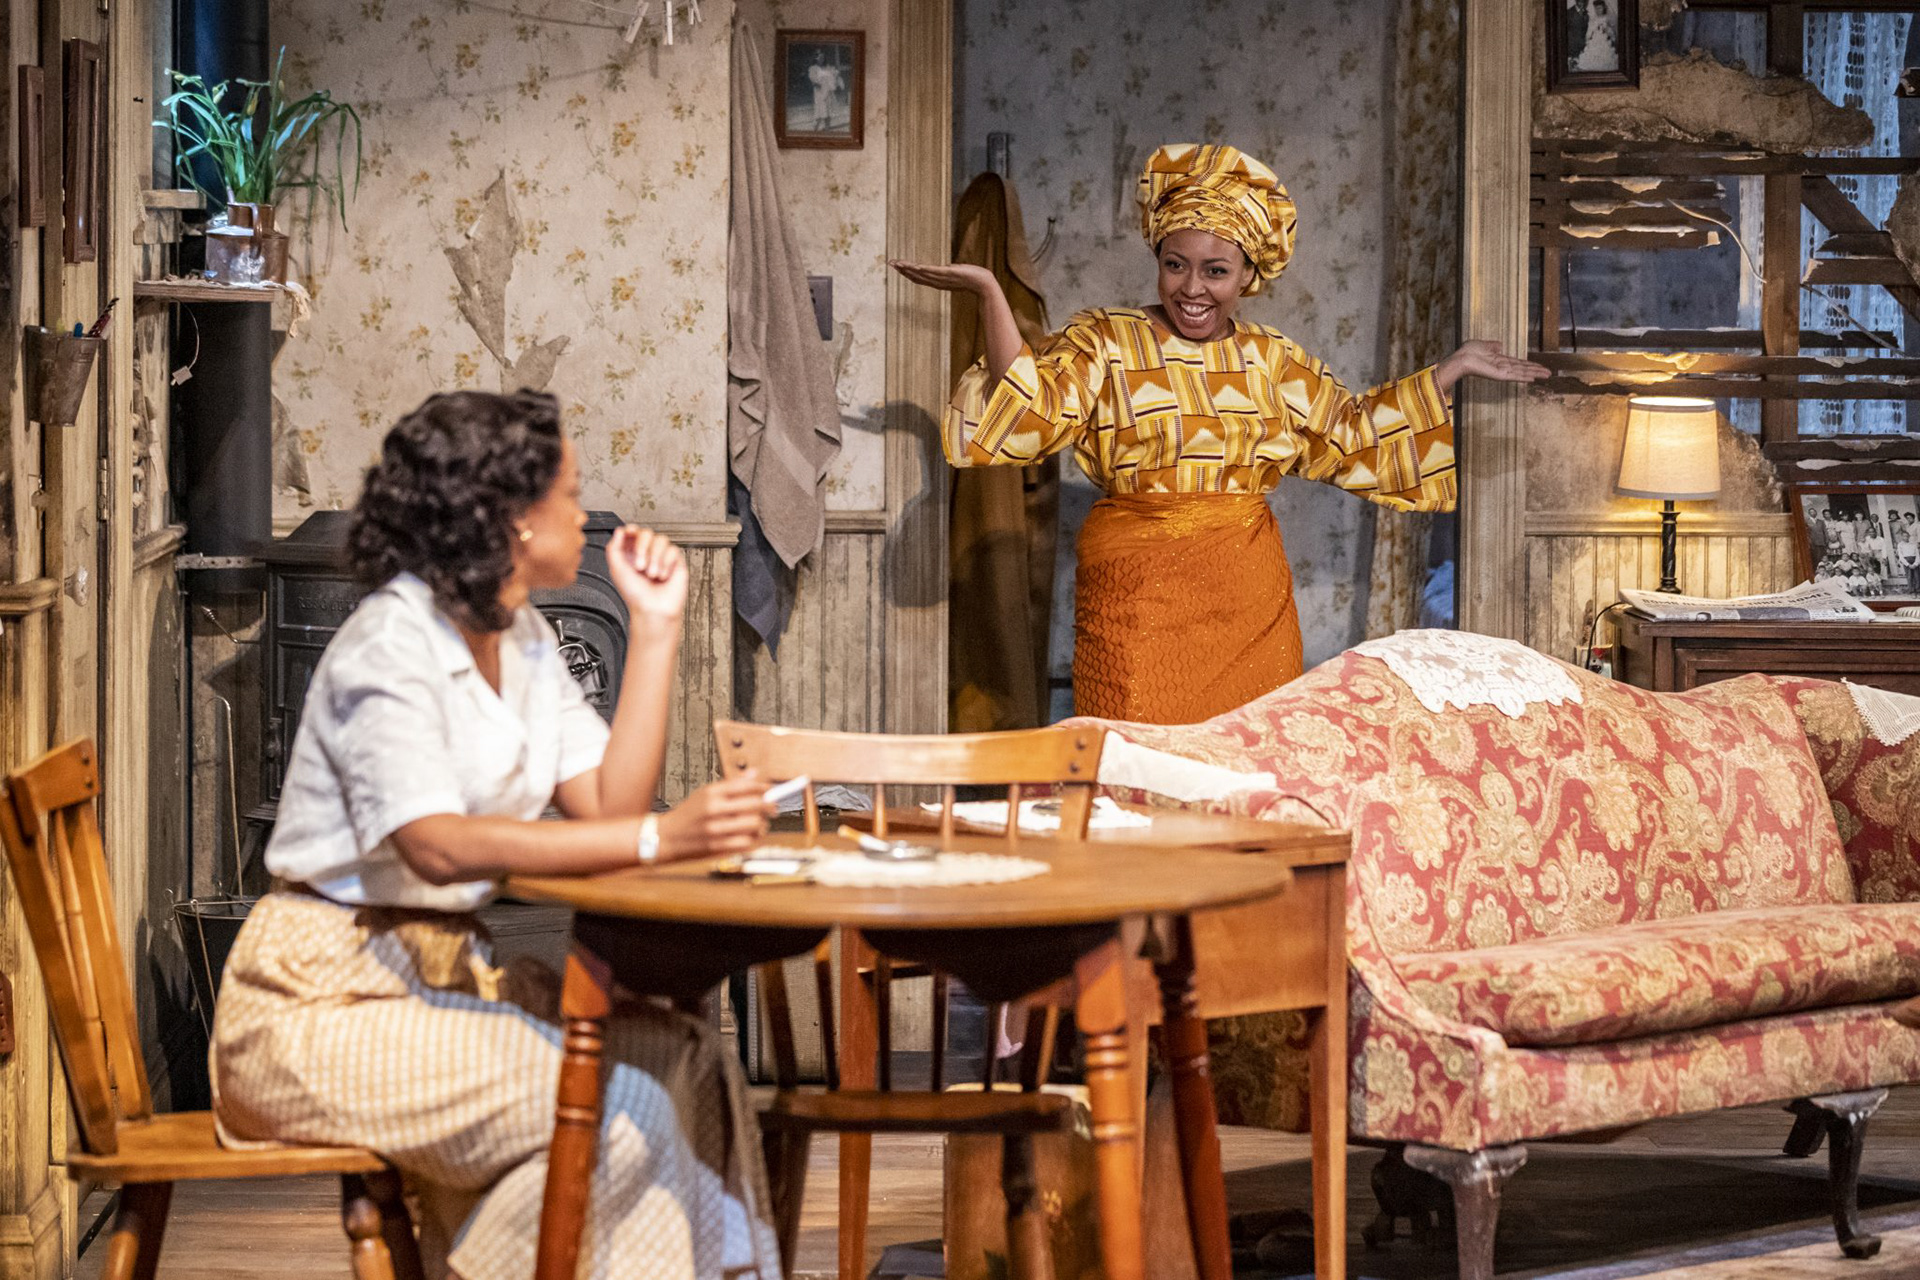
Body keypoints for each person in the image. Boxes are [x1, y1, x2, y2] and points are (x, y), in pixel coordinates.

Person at [211, 390, 783, 1279]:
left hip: (446, 983)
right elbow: (435, 843)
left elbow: (610, 808)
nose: (584, 514)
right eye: (569, 494)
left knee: (686, 1059)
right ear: (511, 520)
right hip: (318, 1005)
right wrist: (661, 844)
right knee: (610, 1112)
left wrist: (660, 629)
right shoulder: (388, 646)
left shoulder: (521, 637)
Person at [892, 143, 1547, 723]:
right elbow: (1030, 403)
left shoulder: (1271, 358)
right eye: (1176, 265)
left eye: (1216, 270)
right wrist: (988, 293)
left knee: (1247, 769)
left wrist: (1450, 371)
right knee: (1139, 765)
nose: (1192, 289)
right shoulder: (1108, 339)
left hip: (1248, 602)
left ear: (1247, 277)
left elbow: (1354, 433)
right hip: (1136, 597)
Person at [807, 49, 842, 131]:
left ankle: (827, 127)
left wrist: (835, 78)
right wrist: (817, 82)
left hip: (828, 89)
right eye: (820, 57)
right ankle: (815, 127)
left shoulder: (828, 67)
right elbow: (812, 78)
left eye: (823, 57)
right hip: (820, 91)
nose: (821, 59)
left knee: (828, 107)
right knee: (820, 108)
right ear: (816, 58)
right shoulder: (813, 68)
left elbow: (834, 74)